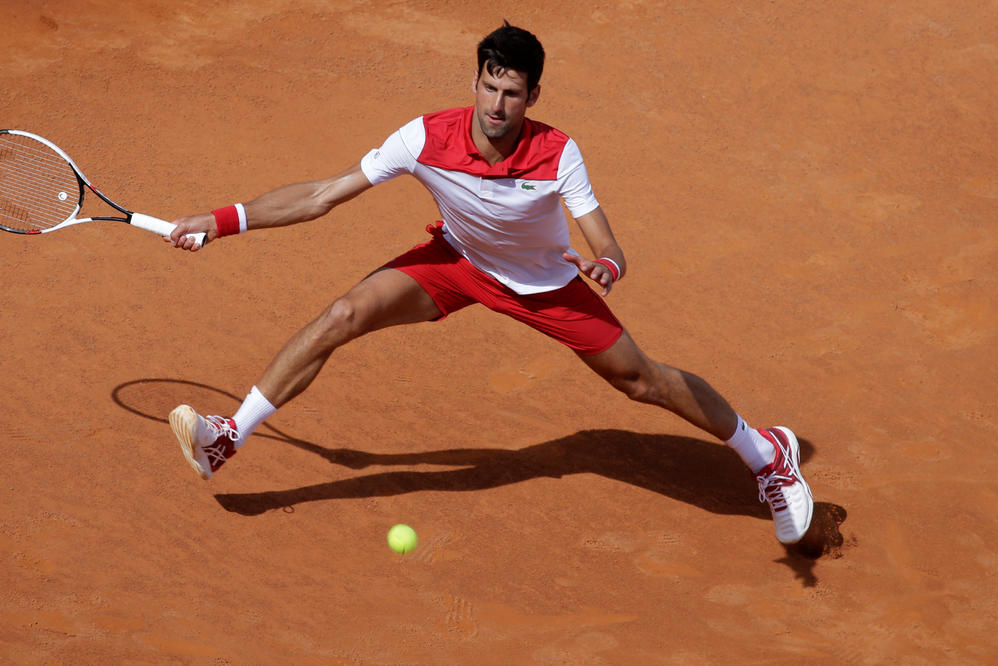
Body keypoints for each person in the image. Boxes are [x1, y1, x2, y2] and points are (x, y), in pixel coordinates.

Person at [166, 22, 813, 544]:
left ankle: (767, 455)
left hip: (544, 284)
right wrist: (222, 222)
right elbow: (321, 196)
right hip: (458, 263)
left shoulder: (559, 152)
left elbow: (606, 241)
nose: (496, 106)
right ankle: (229, 438)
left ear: (532, 96)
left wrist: (606, 267)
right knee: (343, 315)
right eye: (488, 86)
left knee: (640, 379)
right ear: (475, 82)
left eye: (511, 93)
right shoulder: (424, 137)